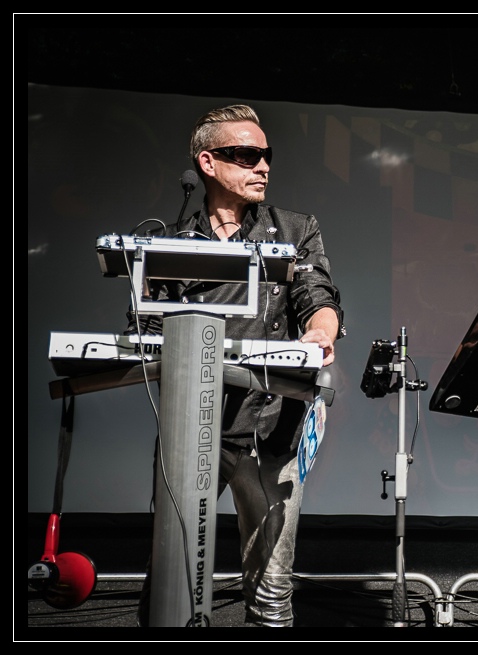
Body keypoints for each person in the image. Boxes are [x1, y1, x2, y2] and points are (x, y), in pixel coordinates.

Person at [129, 104, 345, 627]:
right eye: (247, 155)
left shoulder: (295, 229)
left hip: (271, 427)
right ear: (208, 162)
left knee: (271, 592)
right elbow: (146, 330)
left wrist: (320, 331)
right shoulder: (170, 241)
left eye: (266, 155)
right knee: (168, 583)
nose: (263, 166)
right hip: (191, 427)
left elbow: (317, 295)